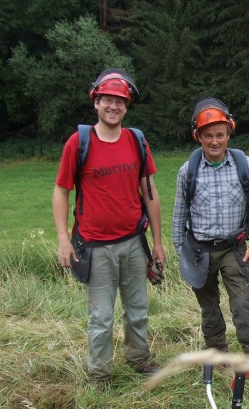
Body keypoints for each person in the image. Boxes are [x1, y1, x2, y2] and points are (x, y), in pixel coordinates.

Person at [52, 68, 165, 382]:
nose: (113, 106)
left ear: (126, 106)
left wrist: (157, 241)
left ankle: (139, 359)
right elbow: (61, 191)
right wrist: (63, 238)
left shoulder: (137, 141)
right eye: (107, 100)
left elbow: (150, 193)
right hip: (95, 246)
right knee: (101, 317)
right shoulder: (79, 142)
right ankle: (100, 374)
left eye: (120, 101)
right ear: (96, 102)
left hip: (133, 242)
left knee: (138, 309)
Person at [172, 98, 249, 357]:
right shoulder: (188, 171)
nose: (214, 141)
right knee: (209, 309)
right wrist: (181, 251)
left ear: (229, 134)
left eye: (220, 135)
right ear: (198, 137)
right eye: (208, 136)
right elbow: (178, 216)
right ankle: (216, 358)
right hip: (198, 250)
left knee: (242, 304)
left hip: (233, 249)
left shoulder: (244, 165)